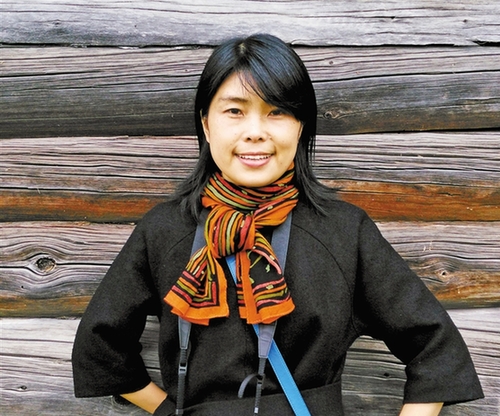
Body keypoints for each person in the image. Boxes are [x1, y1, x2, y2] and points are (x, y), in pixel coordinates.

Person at [72, 33, 484, 416]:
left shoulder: (343, 231)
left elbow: (436, 348)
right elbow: (100, 347)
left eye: (278, 112)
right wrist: (168, 412)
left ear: (301, 125)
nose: (255, 133)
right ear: (206, 123)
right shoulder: (164, 230)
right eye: (235, 111)